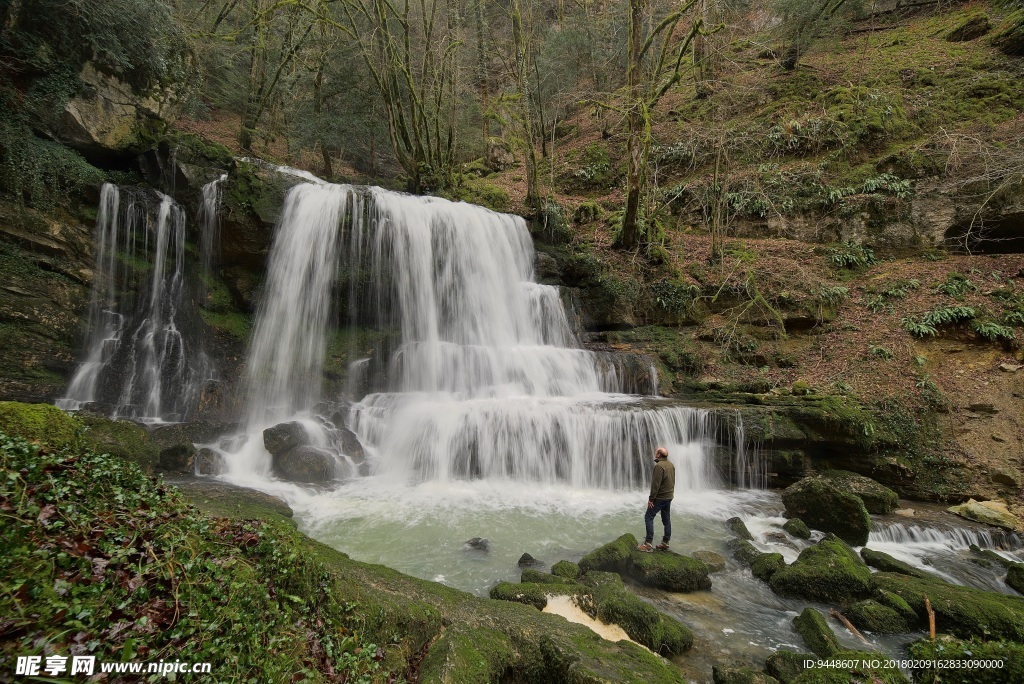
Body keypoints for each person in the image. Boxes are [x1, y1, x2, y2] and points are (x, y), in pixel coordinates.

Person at [638, 446, 674, 552]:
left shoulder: (659, 466)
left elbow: (655, 484)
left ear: (658, 454)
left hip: (660, 497)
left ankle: (648, 544)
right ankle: (665, 543)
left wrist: (651, 499)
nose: (655, 452)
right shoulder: (670, 464)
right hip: (669, 496)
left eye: (656, 451)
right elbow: (673, 480)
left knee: (648, 517)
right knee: (666, 519)